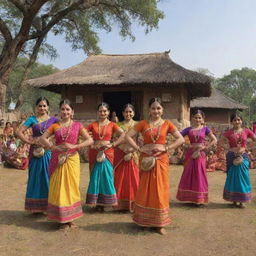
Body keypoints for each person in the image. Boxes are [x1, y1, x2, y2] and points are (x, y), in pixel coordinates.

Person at [125, 97, 184, 235]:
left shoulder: (168, 124)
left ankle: (159, 224)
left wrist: (166, 148)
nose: (156, 111)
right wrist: (139, 148)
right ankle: (144, 220)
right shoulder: (143, 123)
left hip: (161, 160)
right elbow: (128, 136)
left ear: (162, 110)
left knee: (160, 189)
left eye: (158, 108)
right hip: (146, 160)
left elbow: (181, 139)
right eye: (153, 108)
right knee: (145, 188)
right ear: (149, 110)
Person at [40, 99, 93, 229]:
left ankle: (71, 218)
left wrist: (75, 145)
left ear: (72, 112)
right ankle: (62, 219)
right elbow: (42, 138)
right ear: (59, 111)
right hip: (57, 160)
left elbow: (90, 140)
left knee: (71, 187)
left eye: (68, 109)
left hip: (72, 159)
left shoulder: (78, 126)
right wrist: (54, 147)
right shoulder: (55, 126)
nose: (65, 111)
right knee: (58, 188)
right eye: (63, 109)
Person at [16, 97, 58, 213]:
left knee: (48, 176)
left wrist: (50, 140)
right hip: (35, 152)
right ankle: (35, 207)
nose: (42, 108)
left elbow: (60, 131)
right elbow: (18, 131)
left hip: (48, 152)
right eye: (40, 106)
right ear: (36, 107)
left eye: (44, 106)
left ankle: (48, 206)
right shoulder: (32, 119)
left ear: (48, 107)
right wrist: (29, 141)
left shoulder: (54, 120)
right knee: (35, 177)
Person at [86, 102, 124, 212]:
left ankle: (108, 202)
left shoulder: (112, 125)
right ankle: (97, 203)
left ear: (108, 112)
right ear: (97, 112)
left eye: (105, 111)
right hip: (95, 152)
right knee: (95, 177)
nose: (102, 113)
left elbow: (123, 134)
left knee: (107, 177)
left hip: (108, 152)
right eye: (100, 111)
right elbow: (81, 133)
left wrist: (113, 144)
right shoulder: (93, 125)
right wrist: (91, 144)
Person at [176, 109, 217, 205]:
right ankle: (189, 197)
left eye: (199, 117)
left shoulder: (205, 129)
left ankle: (199, 198)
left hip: (200, 154)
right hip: (190, 154)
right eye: (196, 117)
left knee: (199, 173)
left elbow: (214, 139)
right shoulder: (188, 129)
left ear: (203, 119)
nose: (197, 119)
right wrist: (185, 146)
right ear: (192, 118)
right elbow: (178, 137)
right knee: (188, 173)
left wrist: (205, 147)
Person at [220, 113, 256, 208]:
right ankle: (234, 199)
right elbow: (220, 141)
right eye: (235, 120)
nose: (237, 121)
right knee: (232, 178)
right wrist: (229, 149)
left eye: (239, 119)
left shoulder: (247, 131)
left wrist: (246, 148)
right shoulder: (229, 132)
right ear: (231, 122)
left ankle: (242, 200)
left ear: (241, 121)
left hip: (243, 156)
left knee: (243, 177)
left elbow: (254, 140)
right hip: (232, 156)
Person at [113, 104, 140, 212]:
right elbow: (115, 139)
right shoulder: (117, 125)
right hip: (120, 155)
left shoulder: (138, 125)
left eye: (130, 112)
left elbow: (140, 141)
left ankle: (135, 204)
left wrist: (132, 151)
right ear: (123, 113)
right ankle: (120, 205)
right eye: (126, 112)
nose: (128, 114)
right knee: (120, 179)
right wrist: (124, 151)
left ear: (133, 113)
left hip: (133, 155)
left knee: (134, 180)